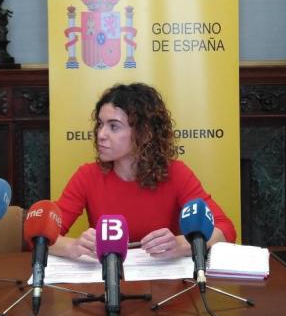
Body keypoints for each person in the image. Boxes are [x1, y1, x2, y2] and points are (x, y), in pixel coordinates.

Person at [50, 83, 236, 260]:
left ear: (144, 132)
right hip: (109, 277)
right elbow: (42, 237)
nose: (101, 134)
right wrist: (72, 246)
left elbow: (225, 229)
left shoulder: (176, 173)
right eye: (100, 124)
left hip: (163, 279)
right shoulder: (87, 176)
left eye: (113, 126)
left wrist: (184, 244)